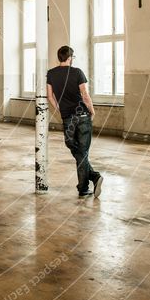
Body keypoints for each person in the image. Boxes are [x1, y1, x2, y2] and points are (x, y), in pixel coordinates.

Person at [46, 46, 103, 198]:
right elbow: (85, 94)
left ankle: (85, 185)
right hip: (83, 116)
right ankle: (93, 177)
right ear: (70, 58)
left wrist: (61, 109)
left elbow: (50, 97)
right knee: (82, 152)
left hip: (67, 118)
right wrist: (92, 110)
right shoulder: (77, 72)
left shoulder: (51, 74)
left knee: (76, 149)